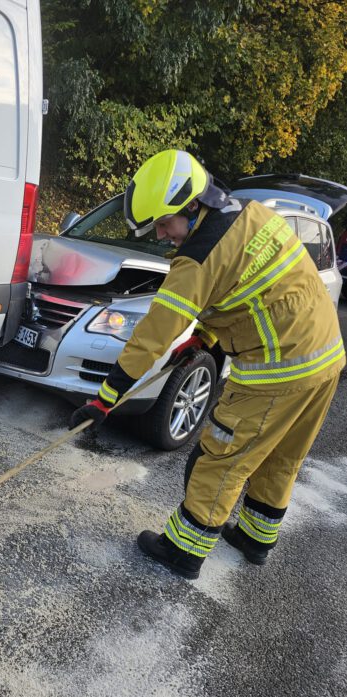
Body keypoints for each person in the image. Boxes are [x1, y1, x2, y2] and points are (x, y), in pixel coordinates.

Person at [70, 149, 345, 580]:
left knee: (218, 458)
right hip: (325, 357)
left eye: (165, 223)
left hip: (277, 373)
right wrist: (205, 337)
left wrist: (105, 400)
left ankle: (183, 550)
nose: (162, 236)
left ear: (194, 205)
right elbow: (255, 295)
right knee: (280, 456)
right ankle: (255, 539)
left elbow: (152, 335)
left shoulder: (197, 259)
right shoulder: (253, 215)